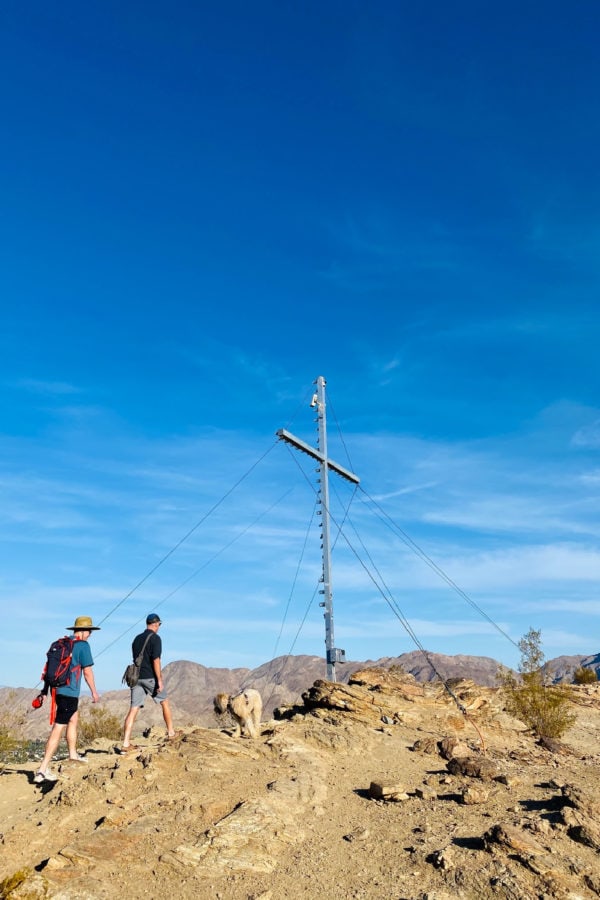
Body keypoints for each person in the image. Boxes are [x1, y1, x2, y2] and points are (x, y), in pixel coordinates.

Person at [34, 616, 101, 784]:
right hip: (70, 692)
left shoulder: (61, 644)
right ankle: (42, 770)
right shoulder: (83, 646)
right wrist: (94, 692)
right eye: (90, 631)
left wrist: (44, 691)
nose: (90, 635)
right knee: (58, 728)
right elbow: (87, 672)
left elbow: (48, 670)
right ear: (84, 631)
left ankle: (72, 754)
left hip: (58, 691)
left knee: (73, 719)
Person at [121, 613, 177, 751]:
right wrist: (159, 680)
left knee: (133, 709)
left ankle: (126, 744)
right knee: (165, 702)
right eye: (159, 624)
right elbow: (156, 660)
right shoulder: (155, 638)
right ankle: (171, 733)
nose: (159, 627)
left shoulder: (136, 639)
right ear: (156, 624)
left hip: (135, 678)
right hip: (149, 677)